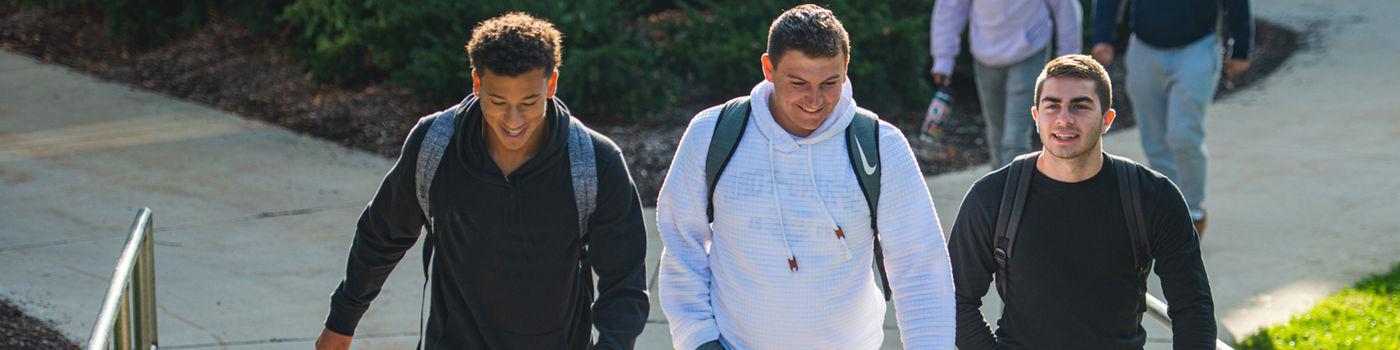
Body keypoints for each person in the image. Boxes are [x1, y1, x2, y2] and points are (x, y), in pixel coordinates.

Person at [314, 13, 649, 350]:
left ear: (551, 84)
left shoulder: (595, 162)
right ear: (477, 83)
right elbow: (381, 235)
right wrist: (342, 321)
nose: (513, 120)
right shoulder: (436, 145)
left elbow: (624, 284)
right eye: (498, 102)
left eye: (529, 102)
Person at [656, 4, 955, 349]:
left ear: (845, 70)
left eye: (830, 83)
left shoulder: (880, 146)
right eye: (798, 83)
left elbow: (919, 268)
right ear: (769, 68)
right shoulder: (713, 133)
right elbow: (682, 243)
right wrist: (697, 339)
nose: (815, 100)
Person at [948, 54, 1215, 349]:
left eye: (1080, 106)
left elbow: (1193, 308)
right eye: (1052, 106)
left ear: (1107, 120)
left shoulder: (1153, 197)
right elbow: (954, 300)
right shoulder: (992, 197)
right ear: (1036, 117)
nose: (1064, 118)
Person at [1091, 0, 1254, 238]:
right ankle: (1170, 207)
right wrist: (1102, 36)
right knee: (1154, 139)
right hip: (1144, 48)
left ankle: (1193, 209)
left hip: (1197, 47)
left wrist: (1241, 48)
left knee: (1183, 135)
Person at [930, 0, 1083, 168]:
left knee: (1015, 138)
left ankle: (1017, 190)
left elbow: (1066, 7)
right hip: (985, 55)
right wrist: (943, 58)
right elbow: (950, 8)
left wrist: (1068, 60)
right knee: (996, 133)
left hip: (1029, 52)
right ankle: (1000, 188)